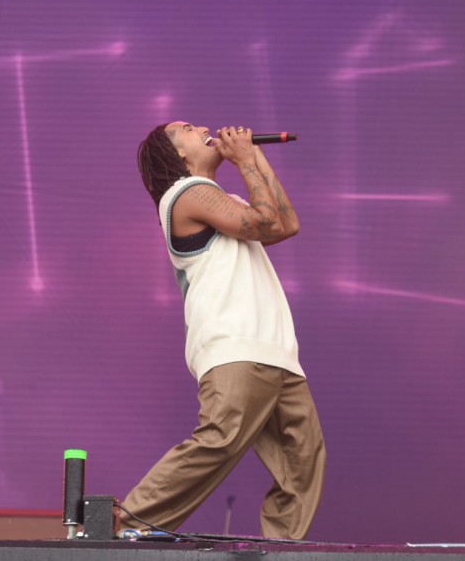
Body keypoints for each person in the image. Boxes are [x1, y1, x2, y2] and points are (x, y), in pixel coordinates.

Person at [120, 122, 325, 539]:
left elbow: (286, 224)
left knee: (301, 459)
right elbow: (266, 224)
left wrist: (254, 158)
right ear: (178, 154)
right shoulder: (184, 194)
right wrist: (246, 159)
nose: (204, 128)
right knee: (220, 439)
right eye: (188, 128)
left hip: (274, 349)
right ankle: (123, 525)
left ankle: (283, 546)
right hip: (234, 345)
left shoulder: (224, 200)